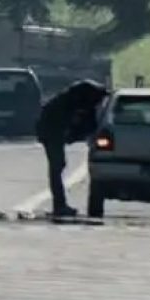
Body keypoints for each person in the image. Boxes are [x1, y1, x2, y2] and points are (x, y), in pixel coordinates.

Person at [35, 79, 111, 217]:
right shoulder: (70, 104)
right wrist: (74, 135)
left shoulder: (73, 101)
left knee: (57, 167)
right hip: (50, 131)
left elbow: (85, 124)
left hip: (51, 130)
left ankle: (60, 204)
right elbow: (79, 124)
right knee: (57, 167)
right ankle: (59, 205)